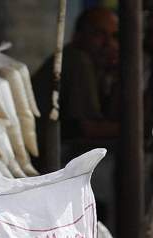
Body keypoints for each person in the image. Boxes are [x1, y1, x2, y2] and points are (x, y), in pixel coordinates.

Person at [33, 6, 121, 140]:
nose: (109, 43)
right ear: (78, 36)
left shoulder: (99, 69)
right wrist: (145, 128)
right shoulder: (78, 60)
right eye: (99, 34)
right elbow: (90, 129)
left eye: (115, 36)